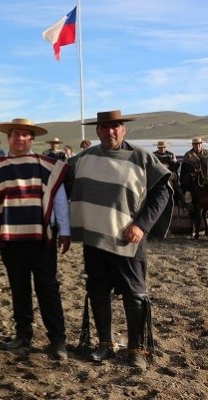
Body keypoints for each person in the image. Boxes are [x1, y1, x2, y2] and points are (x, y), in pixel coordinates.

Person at [68, 110, 171, 371]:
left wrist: (142, 224)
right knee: (97, 290)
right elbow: (58, 179)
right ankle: (105, 343)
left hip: (128, 237)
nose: (110, 132)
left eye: (115, 126)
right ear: (97, 131)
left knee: (134, 294)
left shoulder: (141, 157)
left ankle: (136, 348)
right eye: (104, 127)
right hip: (94, 237)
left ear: (124, 129)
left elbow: (162, 190)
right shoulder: (84, 158)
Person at [0, 118, 69, 360]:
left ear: (32, 139)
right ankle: (23, 334)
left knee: (48, 288)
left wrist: (66, 231)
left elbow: (59, 200)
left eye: (25, 134)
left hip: (42, 238)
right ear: (9, 138)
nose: (20, 138)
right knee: (19, 287)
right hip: (10, 238)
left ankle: (57, 339)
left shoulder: (48, 166)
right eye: (15, 134)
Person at [180, 137, 208, 205]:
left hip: (206, 173)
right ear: (193, 145)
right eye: (195, 144)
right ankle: (187, 197)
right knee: (186, 180)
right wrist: (194, 170)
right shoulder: (188, 154)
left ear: (201, 144)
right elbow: (184, 167)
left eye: (199, 144)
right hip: (193, 175)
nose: (197, 146)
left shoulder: (206, 153)